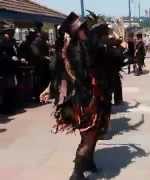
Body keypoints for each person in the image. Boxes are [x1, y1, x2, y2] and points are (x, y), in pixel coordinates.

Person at [40, 12, 110, 180]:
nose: (86, 31)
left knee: (89, 134)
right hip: (85, 101)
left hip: (75, 102)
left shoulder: (66, 49)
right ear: (78, 32)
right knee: (89, 136)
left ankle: (89, 162)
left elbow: (59, 75)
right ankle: (77, 174)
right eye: (83, 28)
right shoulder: (82, 49)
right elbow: (84, 74)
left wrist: (49, 89)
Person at [0, 21, 18, 114]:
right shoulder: (2, 42)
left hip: (12, 69)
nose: (13, 33)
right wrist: (11, 58)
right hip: (5, 69)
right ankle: (6, 108)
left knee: (11, 88)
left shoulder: (12, 41)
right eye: (11, 31)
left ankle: (11, 106)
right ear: (6, 32)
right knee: (7, 89)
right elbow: (2, 56)